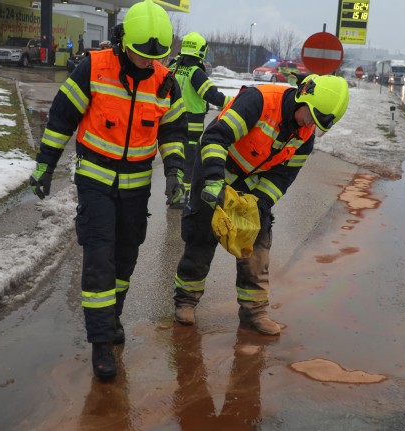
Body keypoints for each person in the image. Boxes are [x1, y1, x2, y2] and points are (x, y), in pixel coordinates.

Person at [28, 0, 187, 379]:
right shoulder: (94, 68)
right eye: (141, 55)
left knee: (125, 257)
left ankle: (111, 317)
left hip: (137, 187)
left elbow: (173, 133)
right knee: (99, 258)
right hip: (96, 182)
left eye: (156, 57)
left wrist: (178, 172)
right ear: (121, 42)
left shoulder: (166, 81)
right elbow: (61, 118)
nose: (148, 62)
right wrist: (44, 166)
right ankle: (101, 343)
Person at [172, 74, 349, 335]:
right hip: (217, 170)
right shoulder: (259, 101)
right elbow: (214, 139)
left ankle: (253, 312)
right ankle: (186, 301)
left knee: (257, 243)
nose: (309, 124)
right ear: (303, 96)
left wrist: (260, 204)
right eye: (309, 116)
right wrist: (213, 181)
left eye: (316, 122)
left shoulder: (305, 134)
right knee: (202, 235)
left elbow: (283, 176)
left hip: (251, 186)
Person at [168, 32, 233, 209]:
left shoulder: (173, 65)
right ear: (201, 51)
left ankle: (174, 192)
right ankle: (182, 196)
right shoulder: (196, 72)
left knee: (175, 159)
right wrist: (235, 102)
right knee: (190, 161)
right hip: (191, 124)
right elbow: (213, 96)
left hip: (172, 121)